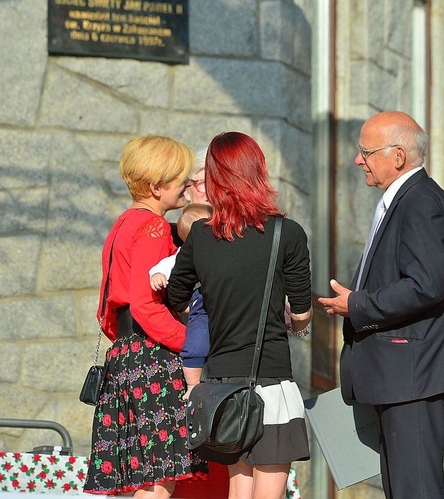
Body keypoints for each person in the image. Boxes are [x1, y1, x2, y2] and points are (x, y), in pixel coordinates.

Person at [318, 111, 444, 499]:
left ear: (398, 157)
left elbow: (424, 287)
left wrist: (357, 304)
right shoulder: (406, 198)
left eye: (366, 152)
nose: (358, 160)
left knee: (415, 488)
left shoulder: (421, 201)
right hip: (400, 374)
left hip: (414, 375)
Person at [166, 131, 312, 499]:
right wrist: (299, 325)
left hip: (221, 383)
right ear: (257, 173)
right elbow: (302, 311)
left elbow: (176, 296)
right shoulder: (287, 233)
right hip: (271, 378)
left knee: (238, 490)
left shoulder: (200, 235)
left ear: (215, 178)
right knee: (269, 492)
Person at [84, 135, 206, 498]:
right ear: (155, 186)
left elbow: (108, 309)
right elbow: (146, 304)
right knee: (157, 477)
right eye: (180, 178)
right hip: (153, 354)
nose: (187, 184)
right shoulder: (153, 227)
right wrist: (192, 344)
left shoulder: (123, 223)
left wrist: (127, 343)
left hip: (124, 353)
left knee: (130, 477)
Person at [148, 203, 214, 391]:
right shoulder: (183, 254)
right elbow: (165, 265)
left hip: (220, 303)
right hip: (200, 306)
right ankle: (193, 385)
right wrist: (157, 275)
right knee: (196, 343)